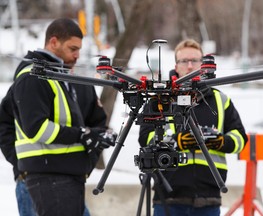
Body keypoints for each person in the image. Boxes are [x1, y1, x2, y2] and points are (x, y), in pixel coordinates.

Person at [0, 18, 116, 216]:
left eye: (79, 49)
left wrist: (88, 158)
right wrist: (22, 164)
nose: (77, 55)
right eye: (73, 48)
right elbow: (24, 127)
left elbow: (97, 124)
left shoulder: (75, 80)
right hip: (38, 178)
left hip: (72, 177)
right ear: (53, 42)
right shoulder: (32, 77)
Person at [138, 38, 248, 216]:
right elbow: (145, 138)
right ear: (176, 64)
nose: (190, 66)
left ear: (203, 64)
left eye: (195, 61)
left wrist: (221, 142)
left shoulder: (220, 100)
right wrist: (175, 142)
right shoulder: (160, 99)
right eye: (184, 61)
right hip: (168, 196)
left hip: (209, 197)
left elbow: (241, 138)